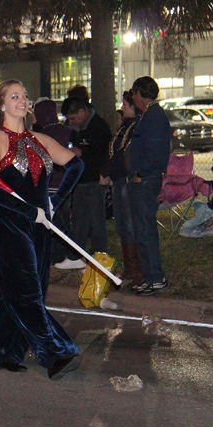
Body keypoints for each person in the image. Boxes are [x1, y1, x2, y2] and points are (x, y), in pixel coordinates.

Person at [0, 80, 84, 379]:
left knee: (21, 289)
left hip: (39, 225)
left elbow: (75, 165)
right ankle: (56, 352)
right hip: (7, 224)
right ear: (1, 105)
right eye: (15, 96)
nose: (22, 100)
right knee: (25, 292)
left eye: (25, 95)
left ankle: (1, 349)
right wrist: (29, 210)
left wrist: (54, 202)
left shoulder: (40, 139)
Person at [127, 76, 171, 295]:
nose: (132, 97)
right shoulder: (147, 115)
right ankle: (149, 275)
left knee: (145, 229)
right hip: (143, 179)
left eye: (134, 93)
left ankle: (156, 277)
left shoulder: (154, 116)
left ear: (140, 94)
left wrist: (140, 173)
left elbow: (154, 151)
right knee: (141, 229)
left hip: (146, 180)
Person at [57, 97, 112, 269]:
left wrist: (82, 152)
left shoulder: (99, 127)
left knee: (96, 222)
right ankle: (76, 256)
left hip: (94, 180)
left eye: (72, 118)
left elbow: (102, 154)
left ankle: (98, 258)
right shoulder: (78, 128)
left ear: (82, 112)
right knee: (79, 220)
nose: (70, 122)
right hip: (80, 180)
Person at [101, 91, 142, 285]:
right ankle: (129, 267)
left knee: (129, 224)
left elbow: (122, 155)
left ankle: (136, 270)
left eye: (125, 104)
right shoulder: (124, 127)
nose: (122, 107)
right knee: (122, 225)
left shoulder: (135, 128)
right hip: (117, 180)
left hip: (125, 180)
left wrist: (107, 170)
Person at [32, 99, 73, 266]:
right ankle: (66, 254)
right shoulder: (68, 131)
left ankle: (54, 255)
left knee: (51, 222)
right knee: (64, 220)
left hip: (49, 185)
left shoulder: (42, 136)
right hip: (66, 183)